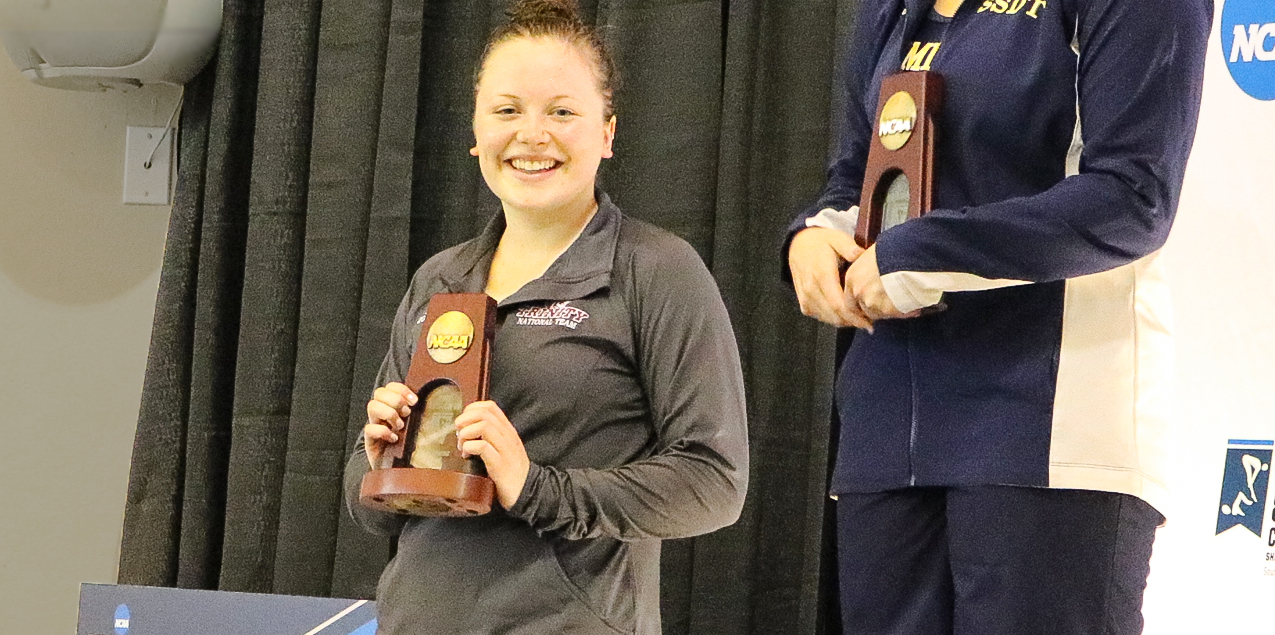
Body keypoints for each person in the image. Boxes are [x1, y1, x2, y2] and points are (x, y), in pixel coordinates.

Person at [785, 0, 1210, 632]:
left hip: (1050, 426)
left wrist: (918, 254)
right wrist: (816, 236)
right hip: (887, 423)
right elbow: (857, 177)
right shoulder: (887, 10)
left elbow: (1133, 196)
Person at [343, 1, 748, 633]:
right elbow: (374, 511)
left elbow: (713, 483)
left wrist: (536, 488)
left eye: (562, 111)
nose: (533, 134)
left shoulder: (656, 269)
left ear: (608, 133)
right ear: (477, 132)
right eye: (508, 111)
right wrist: (379, 468)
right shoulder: (439, 279)